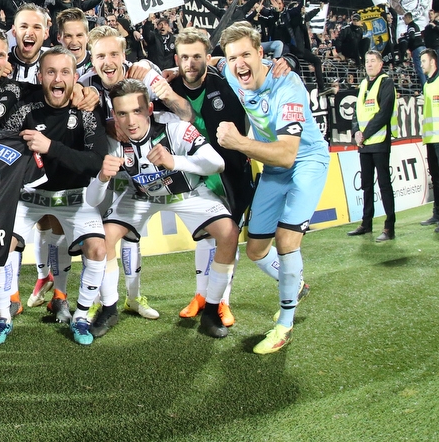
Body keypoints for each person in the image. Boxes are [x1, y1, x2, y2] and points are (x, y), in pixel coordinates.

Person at [86, 80, 241, 338]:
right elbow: (92, 200)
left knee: (228, 232)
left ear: (148, 109)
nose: (130, 121)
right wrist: (102, 177)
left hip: (186, 194)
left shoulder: (175, 128)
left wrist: (175, 161)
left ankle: (212, 310)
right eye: (122, 114)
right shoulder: (113, 141)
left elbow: (217, 163)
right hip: (142, 196)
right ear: (114, 115)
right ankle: (109, 307)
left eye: (136, 111)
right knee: (104, 237)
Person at [216, 22, 329, 354]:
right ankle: (296, 284)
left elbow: (288, 152)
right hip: (274, 169)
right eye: (233, 56)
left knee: (286, 241)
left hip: (305, 162)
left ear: (260, 53)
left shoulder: (287, 86)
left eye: (246, 54)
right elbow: (208, 63)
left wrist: (240, 142)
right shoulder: (231, 72)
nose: (239, 63)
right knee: (254, 250)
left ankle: (284, 325)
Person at [0, 47, 107, 346]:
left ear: (75, 77)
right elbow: (0, 146)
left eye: (65, 72)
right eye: (51, 72)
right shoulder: (24, 111)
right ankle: (3, 315)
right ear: (40, 76)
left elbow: (97, 161)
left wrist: (50, 146)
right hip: (29, 198)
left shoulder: (86, 113)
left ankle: (80, 316)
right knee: (2, 243)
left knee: (97, 248)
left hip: (74, 199)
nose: (58, 78)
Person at [168, 28, 254, 326]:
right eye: (185, 57)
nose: (190, 63)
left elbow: (258, 64)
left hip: (231, 177)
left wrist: (289, 63)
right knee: (205, 235)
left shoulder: (227, 83)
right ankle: (201, 295)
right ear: (177, 58)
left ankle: (222, 302)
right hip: (194, 176)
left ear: (209, 57)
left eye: (197, 57)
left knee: (227, 236)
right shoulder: (170, 85)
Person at [348, 50, 398, 241]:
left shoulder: (386, 82)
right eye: (367, 61)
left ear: (380, 64)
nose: (369, 64)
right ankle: (366, 223)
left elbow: (384, 114)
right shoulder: (363, 84)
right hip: (364, 144)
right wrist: (355, 132)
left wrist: (365, 134)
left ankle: (389, 228)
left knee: (384, 185)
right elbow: (356, 112)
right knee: (366, 185)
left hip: (379, 142)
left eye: (372, 61)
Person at [419, 49, 439, 238]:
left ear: (433, 62)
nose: (421, 64)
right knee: (436, 179)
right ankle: (438, 213)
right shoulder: (428, 84)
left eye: (423, 61)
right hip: (431, 138)